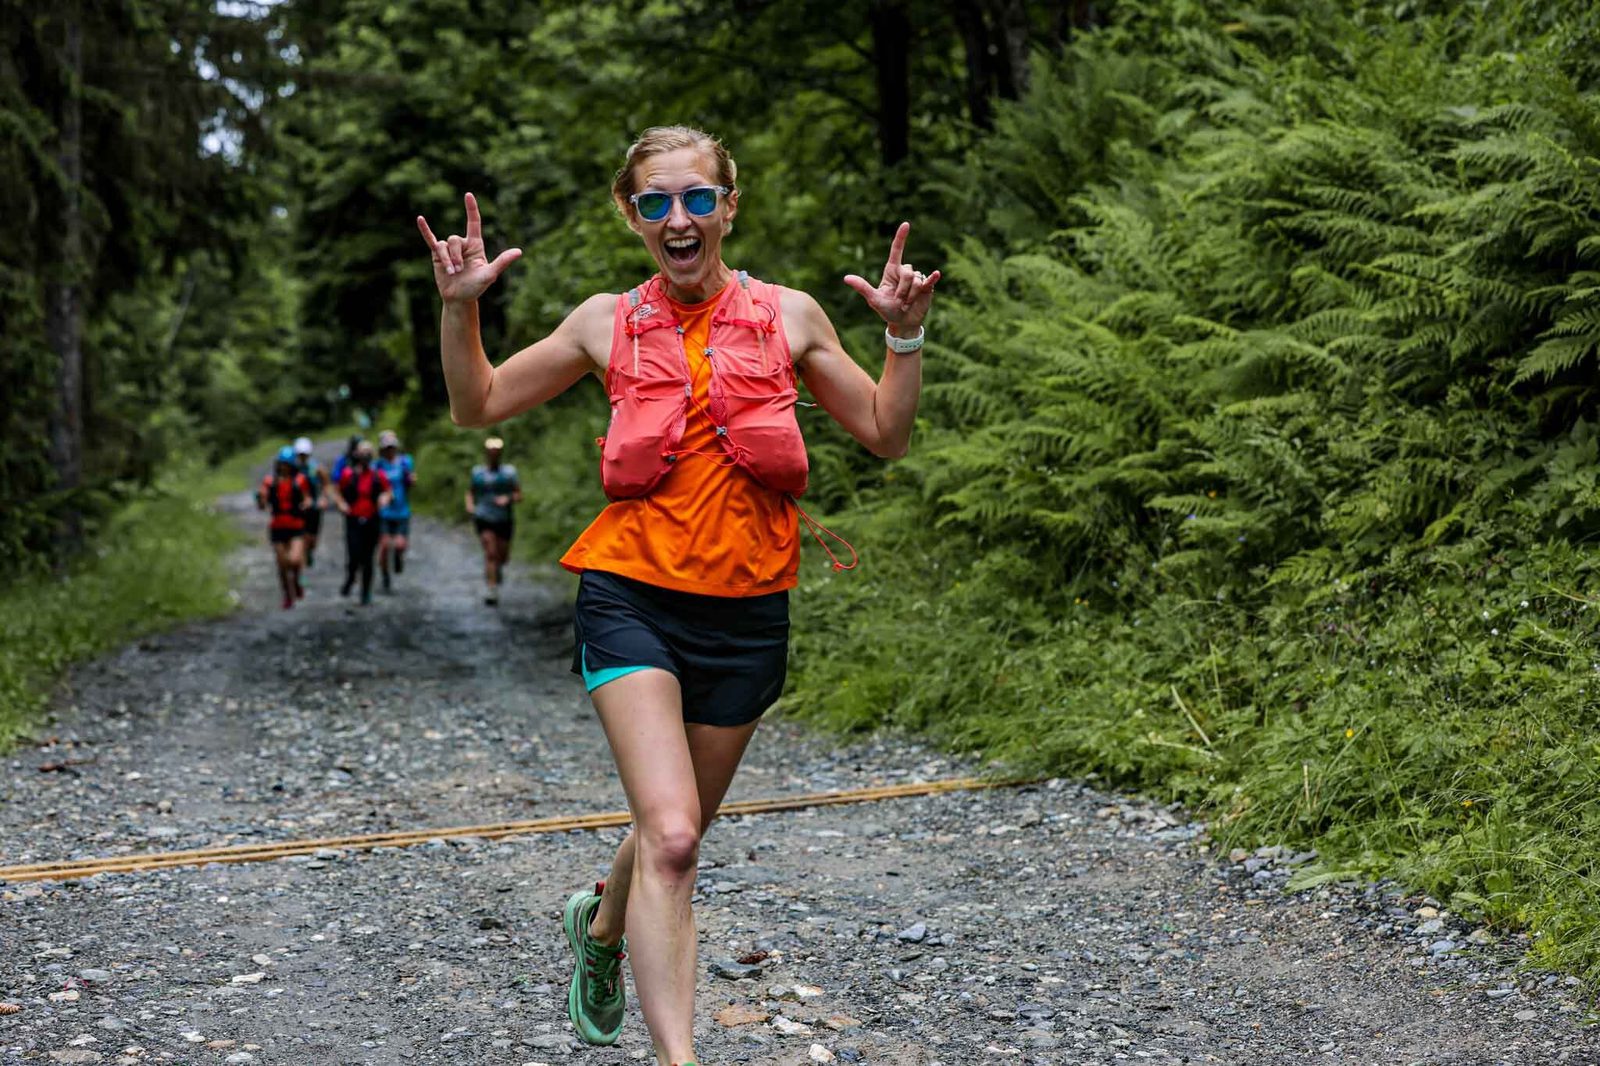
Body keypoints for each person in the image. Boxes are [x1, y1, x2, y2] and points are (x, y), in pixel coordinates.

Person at [416, 125, 937, 1066]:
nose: (679, 217)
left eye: (697, 197)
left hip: (747, 612)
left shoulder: (791, 316)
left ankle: (602, 930)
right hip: (630, 598)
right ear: (633, 215)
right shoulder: (603, 321)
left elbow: (886, 434)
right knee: (672, 840)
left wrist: (904, 335)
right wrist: (461, 310)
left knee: (676, 831)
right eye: (656, 202)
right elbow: (478, 404)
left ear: (730, 207)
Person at [333, 440, 392, 606]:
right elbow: (337, 492)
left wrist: (384, 498)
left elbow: (388, 492)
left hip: (372, 519)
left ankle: (366, 592)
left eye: (368, 452)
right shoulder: (348, 474)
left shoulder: (378, 475)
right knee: (354, 555)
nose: (365, 456)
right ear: (356, 455)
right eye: (362, 452)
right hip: (353, 519)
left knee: (368, 558)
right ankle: (351, 577)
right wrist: (341, 504)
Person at [255, 445, 314, 609]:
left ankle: (296, 582)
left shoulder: (300, 480)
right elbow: (263, 501)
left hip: (296, 525)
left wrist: (307, 505)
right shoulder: (270, 482)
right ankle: (287, 594)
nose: (284, 467)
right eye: (282, 464)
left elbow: (307, 498)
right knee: (282, 564)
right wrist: (260, 499)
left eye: (287, 464)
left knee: (294, 560)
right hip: (278, 526)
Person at [465, 436, 520, 605]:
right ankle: (492, 589)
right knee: (490, 552)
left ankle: (497, 570)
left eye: (496, 451)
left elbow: (518, 494)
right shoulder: (478, 473)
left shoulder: (509, 473)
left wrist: (508, 498)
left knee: (502, 556)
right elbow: (470, 492)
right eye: (491, 451)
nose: (493, 454)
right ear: (486, 453)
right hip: (483, 517)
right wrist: (470, 506)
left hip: (503, 518)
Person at [373, 429, 416, 593]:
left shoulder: (405, 462)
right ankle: (385, 576)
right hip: (384, 512)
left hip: (401, 510)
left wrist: (411, 480)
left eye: (392, 447)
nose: (390, 450)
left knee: (399, 544)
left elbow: (409, 482)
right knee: (384, 546)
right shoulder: (377, 466)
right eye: (387, 448)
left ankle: (398, 558)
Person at [292, 436, 328, 570]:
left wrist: (323, 498)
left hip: (314, 507)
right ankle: (301, 557)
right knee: (303, 535)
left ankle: (309, 551)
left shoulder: (316, 468)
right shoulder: (293, 469)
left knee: (312, 538)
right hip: (299, 507)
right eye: (300, 454)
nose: (302, 457)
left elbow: (325, 484)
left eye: (304, 455)